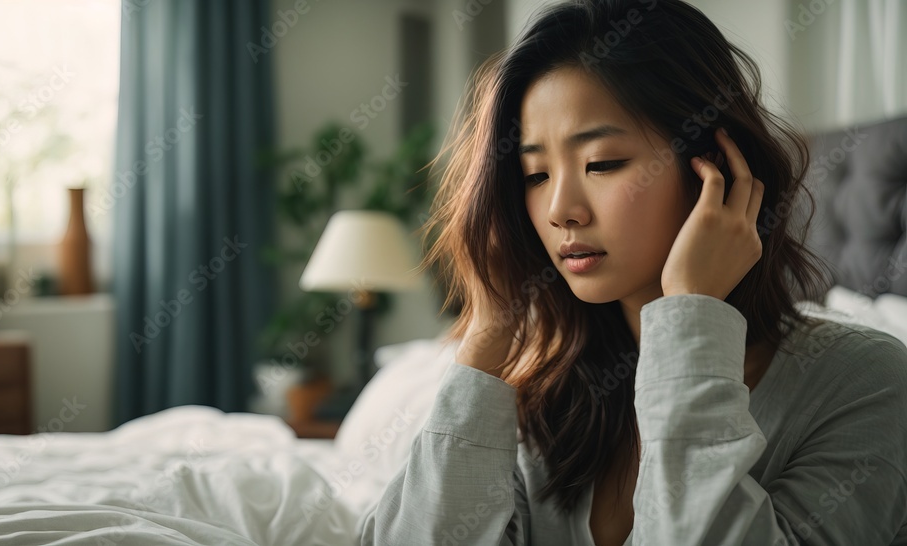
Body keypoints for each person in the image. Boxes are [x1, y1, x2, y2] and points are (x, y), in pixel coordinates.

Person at [356, 0, 907, 545]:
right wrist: (482, 345)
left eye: (602, 163)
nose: (560, 209)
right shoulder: (546, 397)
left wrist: (691, 316)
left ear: (716, 167)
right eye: (535, 174)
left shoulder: (866, 382)